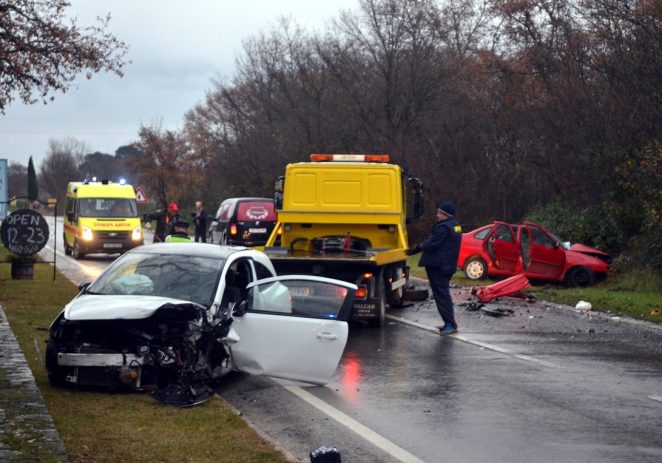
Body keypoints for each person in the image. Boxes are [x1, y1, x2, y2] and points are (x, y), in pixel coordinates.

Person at [406, 202, 463, 335]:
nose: (437, 215)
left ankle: (450, 324)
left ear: (446, 215)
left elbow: (432, 244)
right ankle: (448, 322)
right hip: (447, 265)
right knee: (442, 294)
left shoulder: (443, 228)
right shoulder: (456, 226)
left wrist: (417, 248)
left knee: (441, 295)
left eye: (439, 213)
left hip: (438, 266)